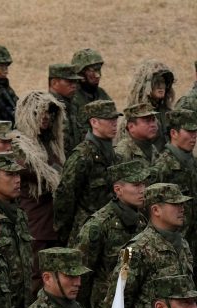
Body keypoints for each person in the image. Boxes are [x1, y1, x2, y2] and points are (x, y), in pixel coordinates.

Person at [117, 183, 194, 308]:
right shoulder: (136, 249)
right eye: (175, 204)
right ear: (156, 210)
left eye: (182, 204)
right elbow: (120, 302)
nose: (182, 209)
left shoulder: (183, 244)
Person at [152, 109, 197, 308]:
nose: (194, 136)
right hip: (171, 250)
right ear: (174, 133)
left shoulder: (195, 163)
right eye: (189, 132)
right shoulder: (163, 166)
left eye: (196, 132)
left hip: (195, 248)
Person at [73, 159, 148, 308]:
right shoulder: (99, 225)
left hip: (135, 307)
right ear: (118, 190)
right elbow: (83, 273)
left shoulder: (141, 220)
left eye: (143, 184)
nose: (142, 190)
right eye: (136, 185)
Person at [54, 99, 121, 244]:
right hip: (86, 235)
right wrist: (64, 235)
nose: (115, 123)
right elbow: (65, 198)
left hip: (112, 232)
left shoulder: (114, 155)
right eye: (109, 119)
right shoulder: (82, 156)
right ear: (94, 122)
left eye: (115, 118)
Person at [12, 94, 64, 284]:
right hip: (35, 225)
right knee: (36, 277)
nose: (45, 117)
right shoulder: (20, 147)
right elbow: (36, 173)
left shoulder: (52, 145)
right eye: (38, 112)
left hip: (53, 224)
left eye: (49, 112)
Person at [0, 152, 33, 308]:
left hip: (22, 305)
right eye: (10, 175)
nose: (18, 179)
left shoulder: (17, 212)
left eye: (17, 174)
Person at [125, 59, 176, 143]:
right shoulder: (135, 115)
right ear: (145, 85)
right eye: (156, 82)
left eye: (163, 82)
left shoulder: (169, 114)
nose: (161, 86)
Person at [47, 63, 84, 153]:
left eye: (75, 82)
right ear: (54, 83)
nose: (74, 85)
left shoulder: (73, 106)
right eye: (69, 82)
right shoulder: (46, 108)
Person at [70, 48, 111, 120]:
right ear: (81, 73)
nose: (98, 75)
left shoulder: (102, 94)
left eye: (99, 69)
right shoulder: (70, 98)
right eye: (93, 70)